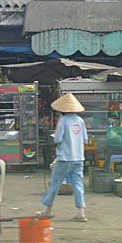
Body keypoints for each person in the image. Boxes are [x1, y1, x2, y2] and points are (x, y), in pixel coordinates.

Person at [38, 93, 89, 222]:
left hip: (65, 158)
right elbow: (85, 139)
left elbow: (58, 139)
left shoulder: (63, 121)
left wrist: (56, 137)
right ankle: (81, 212)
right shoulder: (80, 121)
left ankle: (47, 210)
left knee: (55, 184)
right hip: (78, 157)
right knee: (78, 185)